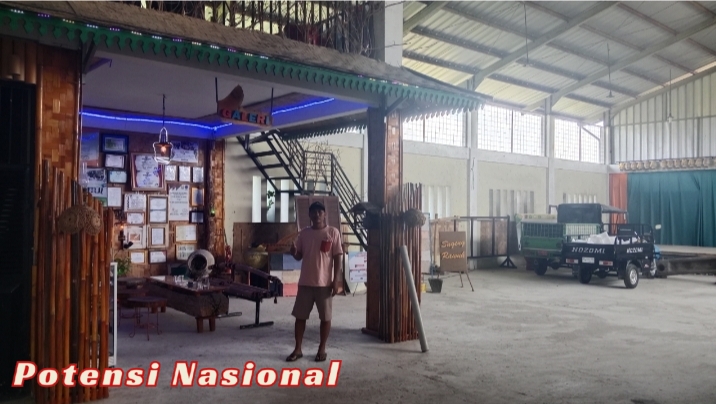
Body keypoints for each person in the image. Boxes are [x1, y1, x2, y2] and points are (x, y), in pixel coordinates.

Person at [286, 201, 344, 362]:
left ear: (325, 214)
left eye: (320, 212)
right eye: (313, 212)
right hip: (305, 283)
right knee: (300, 317)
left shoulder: (333, 233)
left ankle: (322, 348)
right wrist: (293, 252)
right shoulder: (304, 234)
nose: (317, 215)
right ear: (309, 215)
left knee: (325, 318)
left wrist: (336, 280)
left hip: (324, 284)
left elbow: (338, 257)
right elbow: (299, 256)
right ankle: (298, 349)